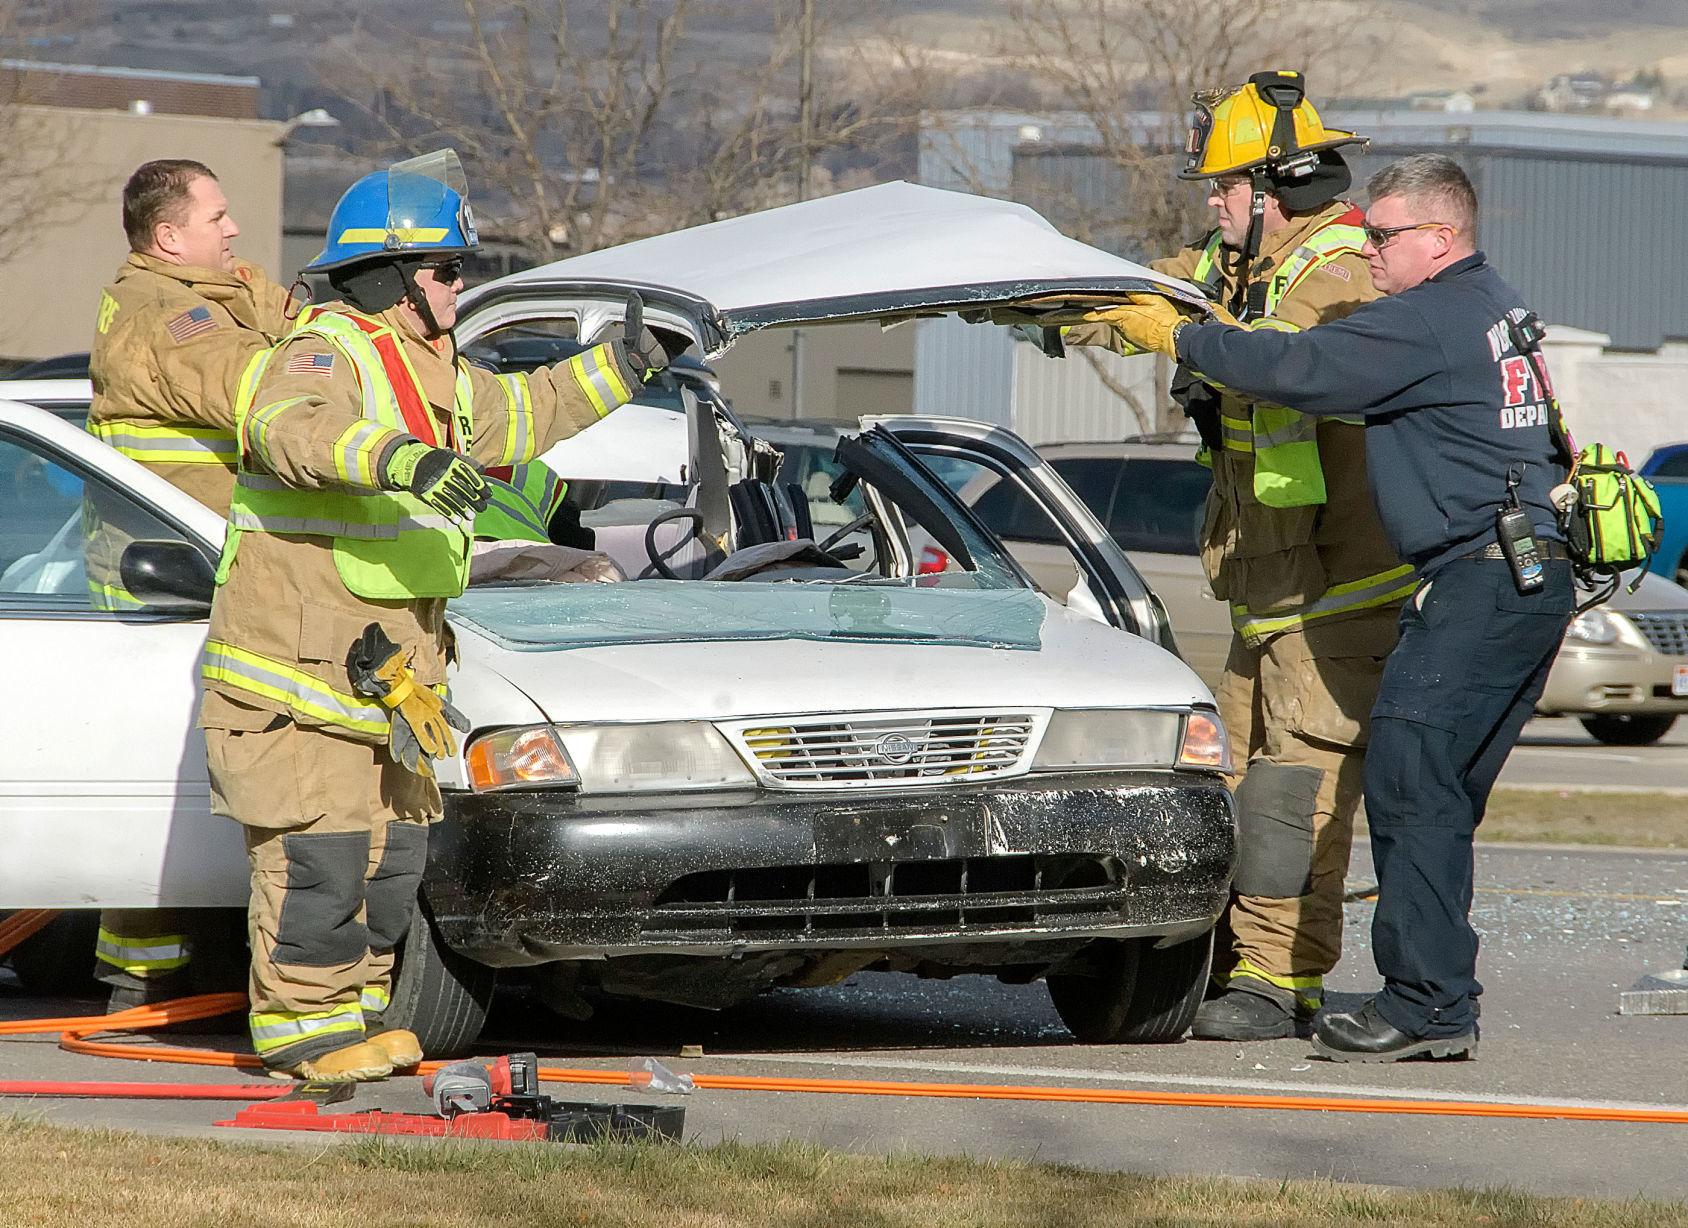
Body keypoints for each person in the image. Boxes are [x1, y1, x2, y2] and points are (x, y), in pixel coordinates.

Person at [199, 150, 669, 1081]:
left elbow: (525, 413)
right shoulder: (321, 350)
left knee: (389, 861)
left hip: (392, 672)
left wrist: (624, 367)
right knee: (319, 859)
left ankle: (359, 1021)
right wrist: (400, 460)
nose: (463, 284)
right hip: (300, 670)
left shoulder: (431, 366)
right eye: (448, 269)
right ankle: (305, 1034)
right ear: (388, 275)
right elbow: (286, 425)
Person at [1093, 153, 1575, 1061]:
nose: (1367, 244)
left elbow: (1304, 367)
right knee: (1438, 795)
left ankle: (1426, 1006)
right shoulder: (1491, 307)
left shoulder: (1427, 317)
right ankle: (1439, 998)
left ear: (1441, 239)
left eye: (1384, 234)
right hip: (1521, 576)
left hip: (1483, 577)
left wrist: (1179, 337)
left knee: (1408, 782)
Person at [1063, 71, 1413, 1041]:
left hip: (1339, 591)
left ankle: (1276, 975)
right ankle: (1226, 952)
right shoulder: (1239, 262)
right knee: (1224, 779)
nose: (1210, 206)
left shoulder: (1341, 275)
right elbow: (1144, 289)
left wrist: (1180, 328)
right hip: (1269, 586)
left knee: (1294, 783)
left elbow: (1281, 360)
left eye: (1222, 188)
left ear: (1276, 188)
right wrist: (1040, 301)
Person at [86, 158, 293, 1012]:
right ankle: (144, 982)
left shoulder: (202, 294)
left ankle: (160, 968)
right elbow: (266, 387)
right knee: (180, 787)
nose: (234, 229)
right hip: (167, 587)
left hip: (195, 571)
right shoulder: (169, 318)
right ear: (168, 237)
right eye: (217, 216)